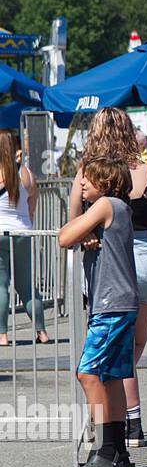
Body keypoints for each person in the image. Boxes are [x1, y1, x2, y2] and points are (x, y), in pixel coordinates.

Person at [71, 107, 147, 448]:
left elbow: (72, 219)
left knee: (106, 350)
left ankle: (115, 423)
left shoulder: (89, 172)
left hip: (109, 264)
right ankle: (131, 420)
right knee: (130, 347)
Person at [61, 157, 138, 467]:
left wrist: (82, 219)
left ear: (104, 184)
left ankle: (104, 449)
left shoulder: (106, 205)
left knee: (88, 373)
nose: (80, 184)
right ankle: (118, 449)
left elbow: (64, 236)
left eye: (87, 179)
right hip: (119, 303)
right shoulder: (116, 208)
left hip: (111, 306)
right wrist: (88, 230)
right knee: (112, 377)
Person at [0, 132, 49, 347]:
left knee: (1, 287)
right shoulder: (26, 173)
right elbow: (32, 205)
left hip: (0, 233)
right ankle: (41, 331)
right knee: (27, 286)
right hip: (23, 233)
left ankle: (2, 335)